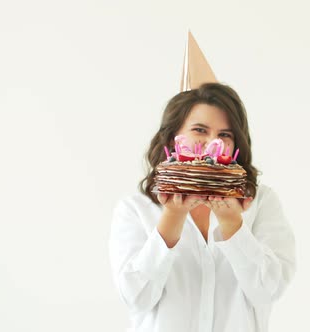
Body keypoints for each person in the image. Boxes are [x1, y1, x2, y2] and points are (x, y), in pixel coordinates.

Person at [109, 32, 295, 332]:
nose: (212, 143)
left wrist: (234, 225)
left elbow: (268, 291)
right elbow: (136, 297)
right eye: (199, 130)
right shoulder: (137, 209)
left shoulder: (261, 203)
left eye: (225, 134)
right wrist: (172, 218)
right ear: (173, 137)